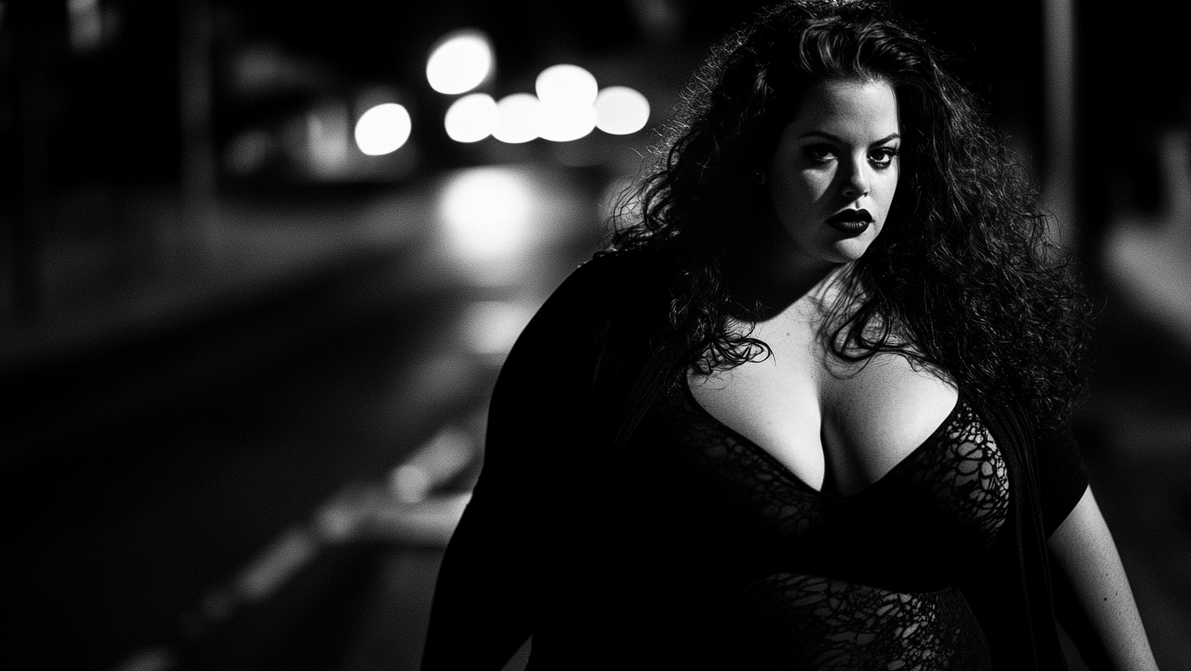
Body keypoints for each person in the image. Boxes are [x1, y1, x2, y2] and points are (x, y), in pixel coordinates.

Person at [422, 1, 1160, 669]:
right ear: (754, 156)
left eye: (883, 154)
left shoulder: (959, 309)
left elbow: (1064, 517)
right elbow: (495, 565)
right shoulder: (616, 318)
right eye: (821, 152)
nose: (858, 183)